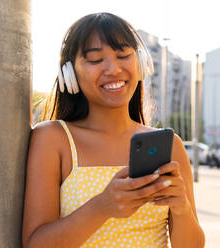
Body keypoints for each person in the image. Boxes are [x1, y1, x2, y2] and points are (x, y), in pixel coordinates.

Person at [22, 13, 205, 248]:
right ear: (69, 74)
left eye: (123, 56)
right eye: (95, 60)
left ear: (141, 64)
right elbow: (35, 244)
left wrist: (182, 209)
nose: (113, 69)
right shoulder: (52, 139)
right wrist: (102, 206)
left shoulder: (171, 145)